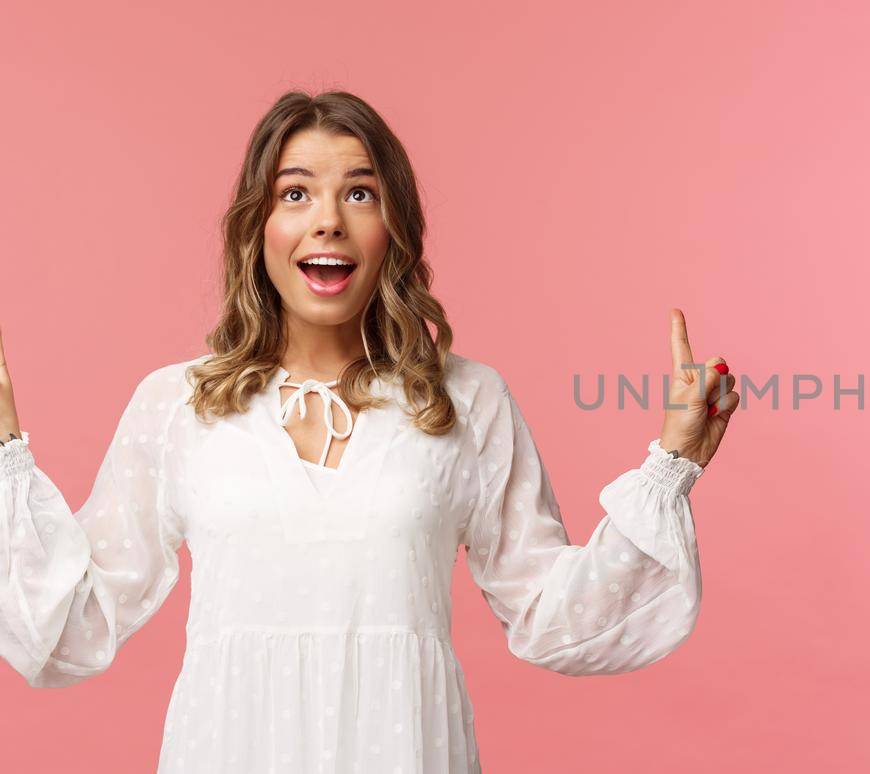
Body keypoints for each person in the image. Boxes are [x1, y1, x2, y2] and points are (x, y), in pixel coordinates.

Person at [0, 90, 739, 773]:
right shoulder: (177, 404)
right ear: (259, 225)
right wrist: (5, 458)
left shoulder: (468, 400)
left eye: (360, 193)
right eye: (296, 193)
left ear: (395, 227)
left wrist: (670, 464)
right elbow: (73, 624)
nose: (328, 220)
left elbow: (556, 613)